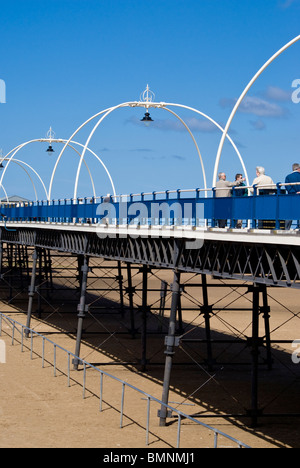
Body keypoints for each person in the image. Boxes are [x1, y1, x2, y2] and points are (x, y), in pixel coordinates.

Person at [285, 163, 300, 229]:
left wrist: (294, 192)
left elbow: (288, 187)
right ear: (298, 169)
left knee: (289, 213)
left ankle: (287, 228)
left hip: (291, 197)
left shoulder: (288, 177)